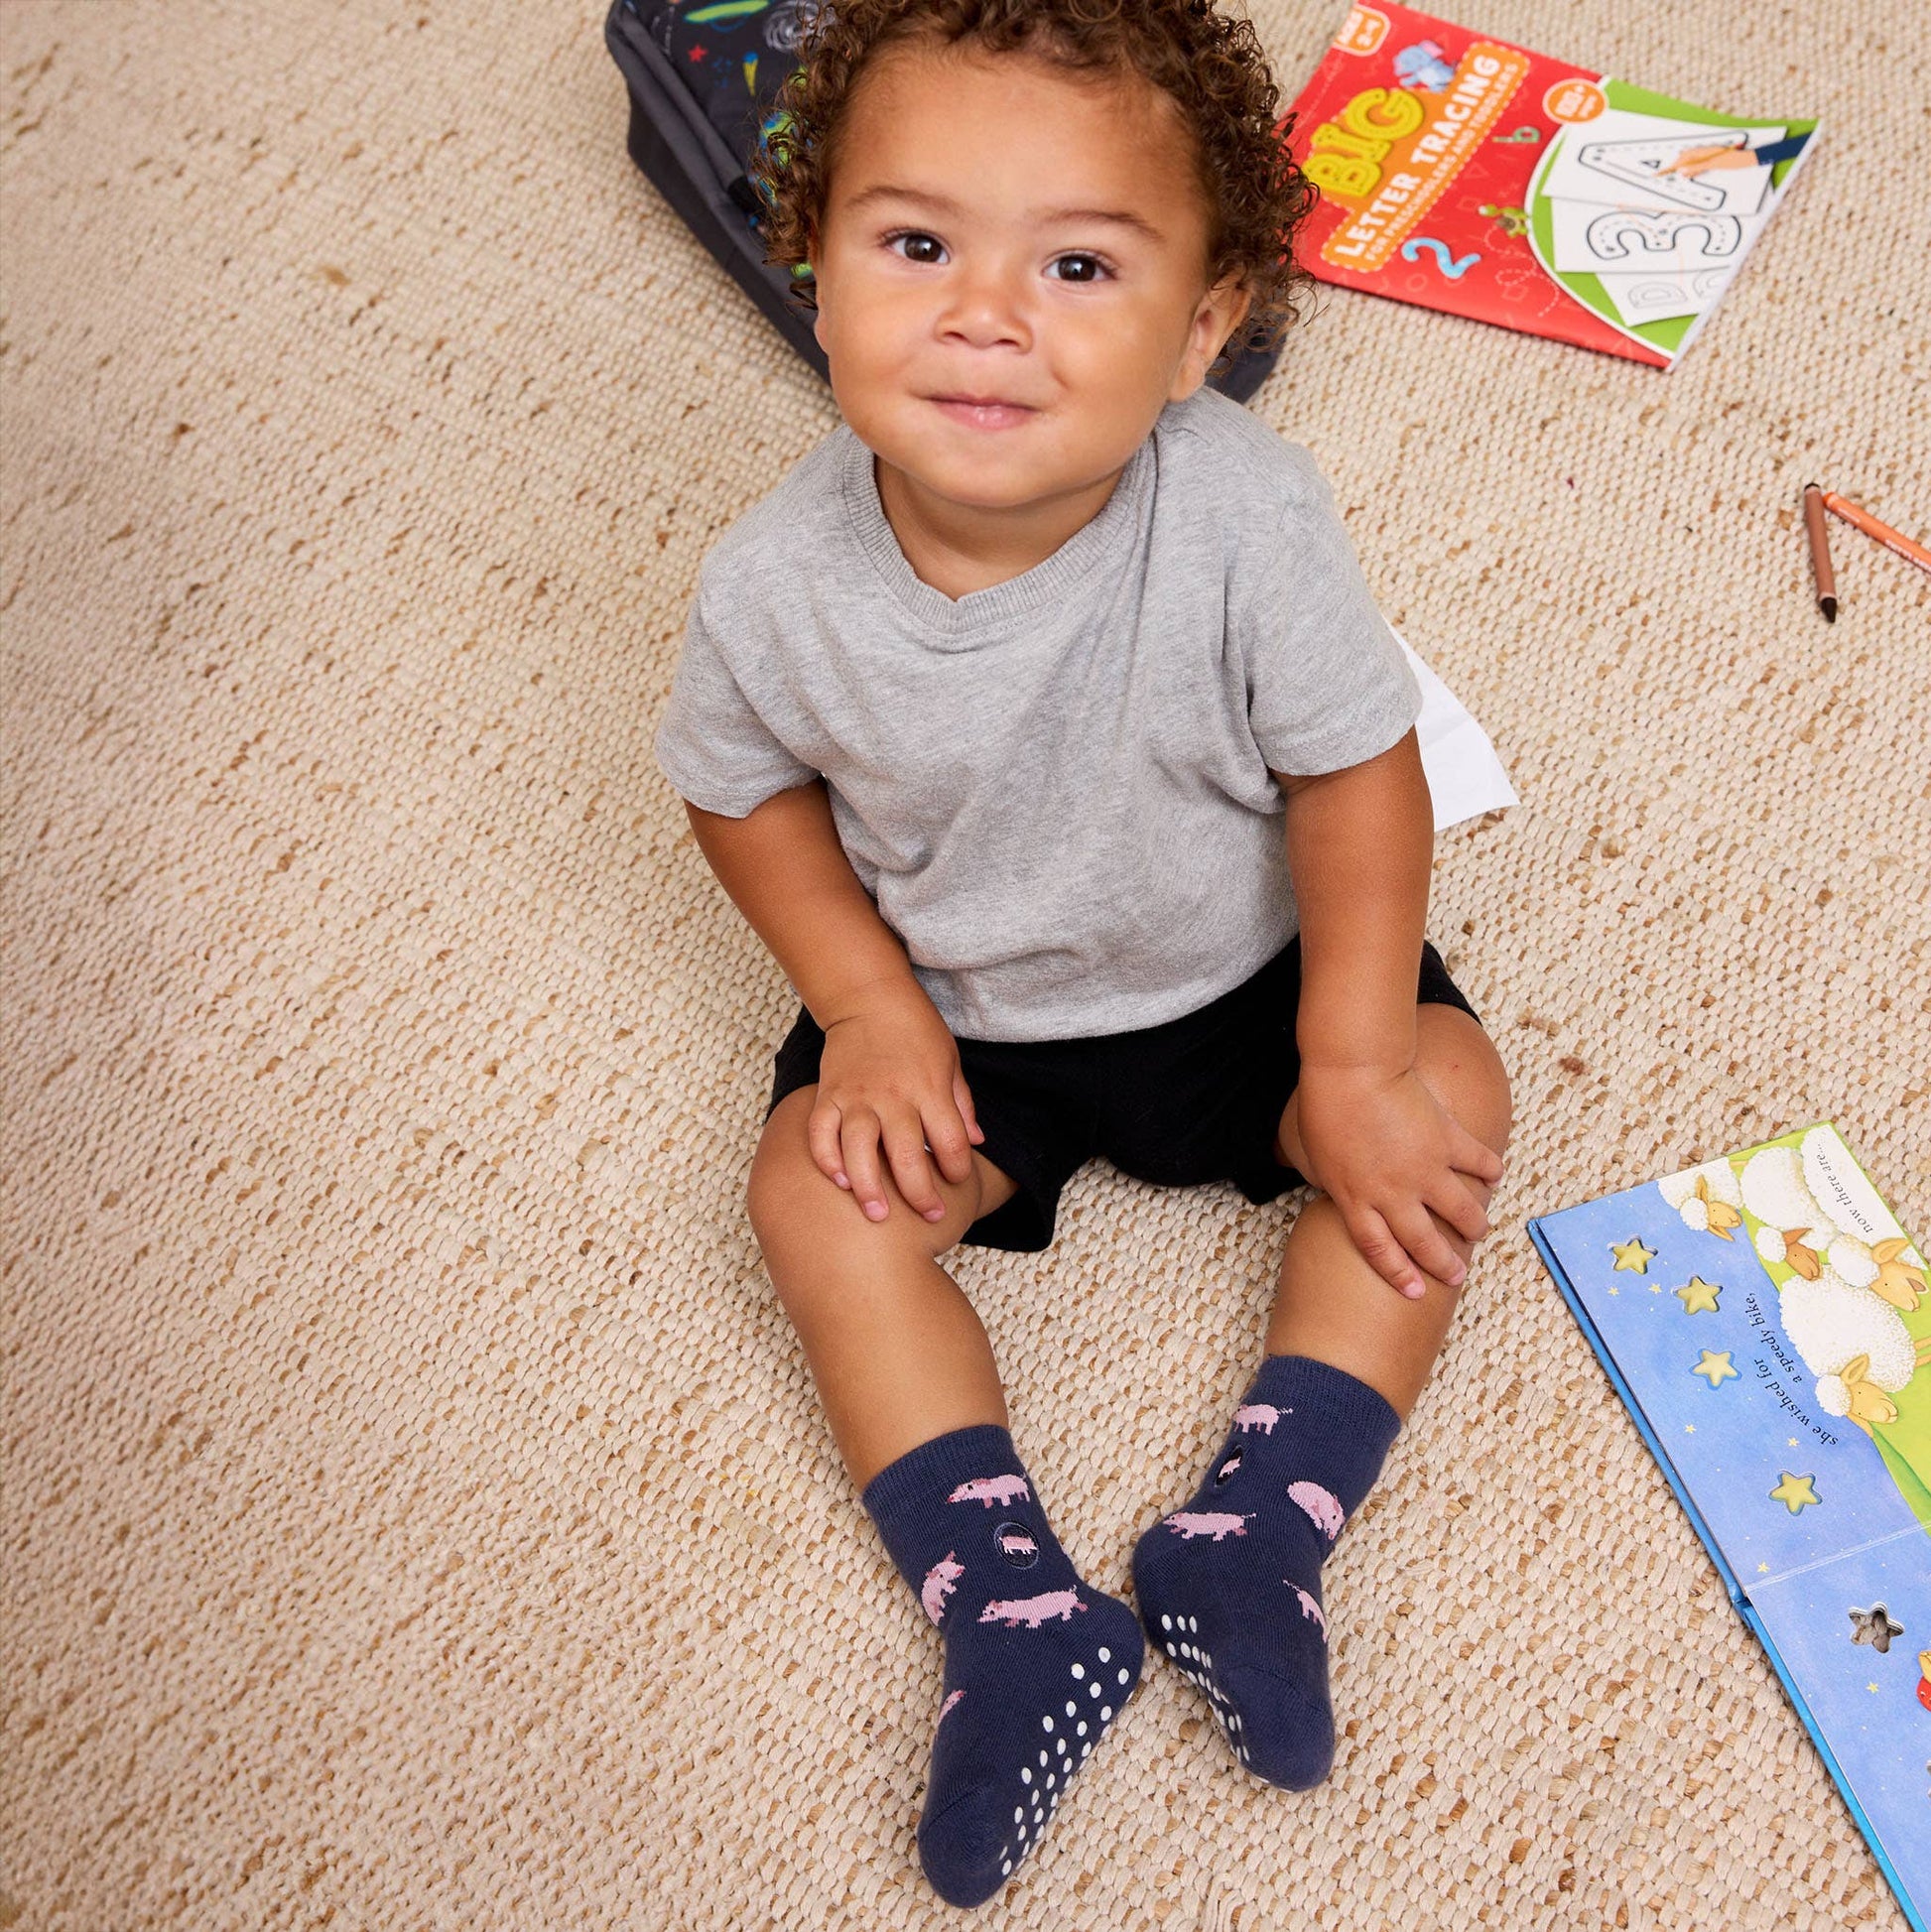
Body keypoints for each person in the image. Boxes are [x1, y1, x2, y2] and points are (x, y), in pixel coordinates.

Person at [653, 0, 1512, 1908]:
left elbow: (1356, 776)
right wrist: (866, 1011)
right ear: (813, 273)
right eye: (914, 244)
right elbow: (738, 799)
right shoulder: (771, 587)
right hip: (962, 1011)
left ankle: (1259, 1528)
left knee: (1451, 1098)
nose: (983, 314)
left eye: (1076, 267)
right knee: (806, 1198)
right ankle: (1011, 1611)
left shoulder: (1246, 515)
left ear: (1201, 329)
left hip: (1243, 980)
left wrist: (1354, 1060)